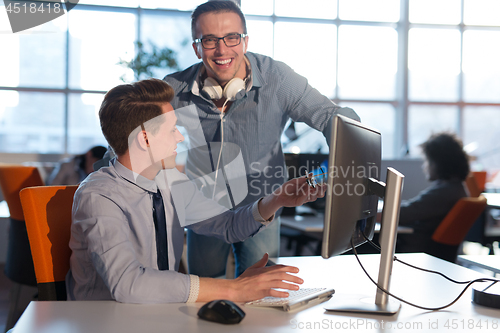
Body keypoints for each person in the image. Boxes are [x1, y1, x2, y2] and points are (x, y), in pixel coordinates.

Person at [66, 78, 326, 303]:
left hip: (158, 314)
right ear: (145, 139)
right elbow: (128, 284)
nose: (180, 137)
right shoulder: (99, 196)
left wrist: (276, 199)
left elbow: (228, 225)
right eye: (172, 129)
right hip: (104, 320)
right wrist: (233, 289)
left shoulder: (169, 182)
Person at [163, 0, 360, 278]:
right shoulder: (176, 89)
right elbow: (134, 136)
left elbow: (330, 116)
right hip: (204, 213)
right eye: (209, 40)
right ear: (196, 47)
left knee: (262, 296)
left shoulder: (277, 79)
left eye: (232, 37)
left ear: (244, 42)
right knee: (204, 294)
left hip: (263, 206)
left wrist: (346, 149)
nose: (222, 50)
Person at [396, 132, 470, 254]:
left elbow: (401, 215)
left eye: (427, 161)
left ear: (438, 163)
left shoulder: (444, 193)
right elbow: (413, 208)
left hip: (413, 251)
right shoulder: (456, 189)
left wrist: (368, 213)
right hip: (424, 250)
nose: (425, 166)